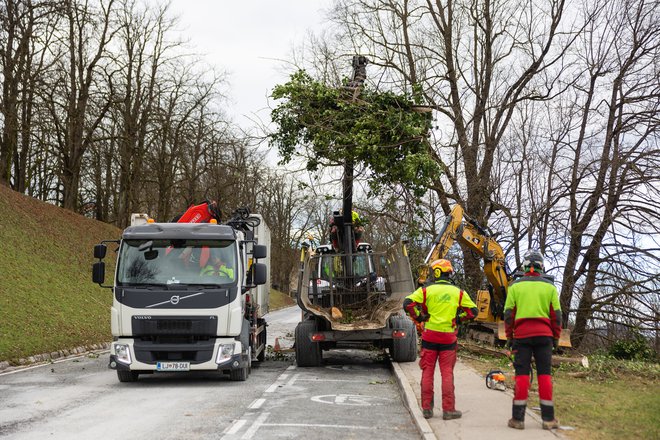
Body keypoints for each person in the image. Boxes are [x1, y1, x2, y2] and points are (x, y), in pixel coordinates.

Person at [403, 259, 478, 420]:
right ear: (448, 273)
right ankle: (448, 410)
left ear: (436, 272)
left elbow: (407, 303)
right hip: (448, 338)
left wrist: (420, 316)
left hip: (430, 336)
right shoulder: (458, 292)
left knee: (427, 372)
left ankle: (427, 409)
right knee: (447, 373)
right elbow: (473, 311)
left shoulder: (426, 290)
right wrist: (458, 319)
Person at [504, 249, 561, 430]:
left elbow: (508, 315)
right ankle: (549, 419)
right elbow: (557, 316)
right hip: (545, 337)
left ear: (525, 267)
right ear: (541, 267)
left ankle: (518, 419)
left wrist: (509, 337)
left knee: (522, 375)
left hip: (521, 337)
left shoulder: (515, 287)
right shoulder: (550, 288)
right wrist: (556, 337)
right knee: (545, 375)